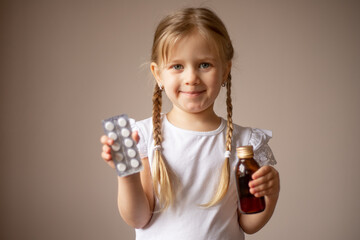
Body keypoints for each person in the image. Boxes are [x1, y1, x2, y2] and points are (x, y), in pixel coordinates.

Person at [100, 7, 280, 240]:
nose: (191, 78)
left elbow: (249, 224)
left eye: (204, 64)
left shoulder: (245, 144)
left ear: (225, 71)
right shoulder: (144, 138)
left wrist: (271, 194)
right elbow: (138, 218)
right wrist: (127, 173)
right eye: (177, 66)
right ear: (158, 74)